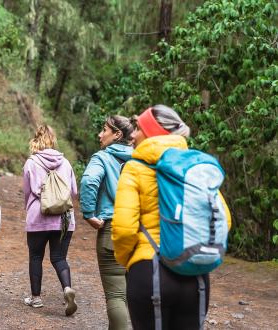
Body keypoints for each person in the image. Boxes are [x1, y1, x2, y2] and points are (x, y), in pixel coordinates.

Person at [111, 105, 231, 330]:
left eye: (138, 128)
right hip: (194, 273)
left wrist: (132, 261)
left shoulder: (134, 168)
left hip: (149, 270)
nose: (133, 134)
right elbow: (225, 218)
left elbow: (124, 229)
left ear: (150, 132)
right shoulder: (193, 167)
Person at [79, 115, 133, 329]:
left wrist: (89, 213)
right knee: (131, 293)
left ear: (117, 134)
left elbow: (89, 180)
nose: (100, 134)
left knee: (116, 295)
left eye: (104, 130)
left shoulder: (102, 157)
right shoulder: (141, 158)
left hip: (113, 228)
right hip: (141, 231)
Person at [22, 124, 78, 316]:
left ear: (35, 139)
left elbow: (28, 191)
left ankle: (36, 298)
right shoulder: (66, 163)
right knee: (59, 258)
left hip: (39, 216)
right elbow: (73, 192)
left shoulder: (31, 162)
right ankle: (67, 289)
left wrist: (29, 209)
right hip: (63, 218)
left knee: (36, 257)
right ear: (53, 140)